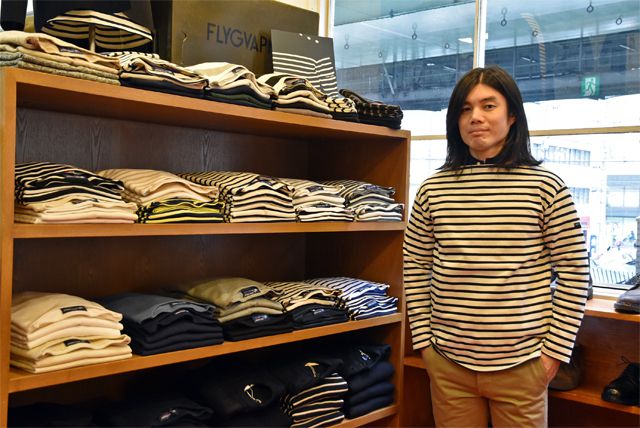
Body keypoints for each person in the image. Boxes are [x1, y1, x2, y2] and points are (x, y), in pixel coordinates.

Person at [403, 65, 590, 427]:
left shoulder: (546, 187)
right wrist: (424, 343)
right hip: (448, 363)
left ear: (512, 115)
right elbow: (414, 266)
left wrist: (553, 354)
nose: (475, 117)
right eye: (465, 109)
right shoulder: (432, 189)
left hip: (524, 365)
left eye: (488, 106)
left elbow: (574, 273)